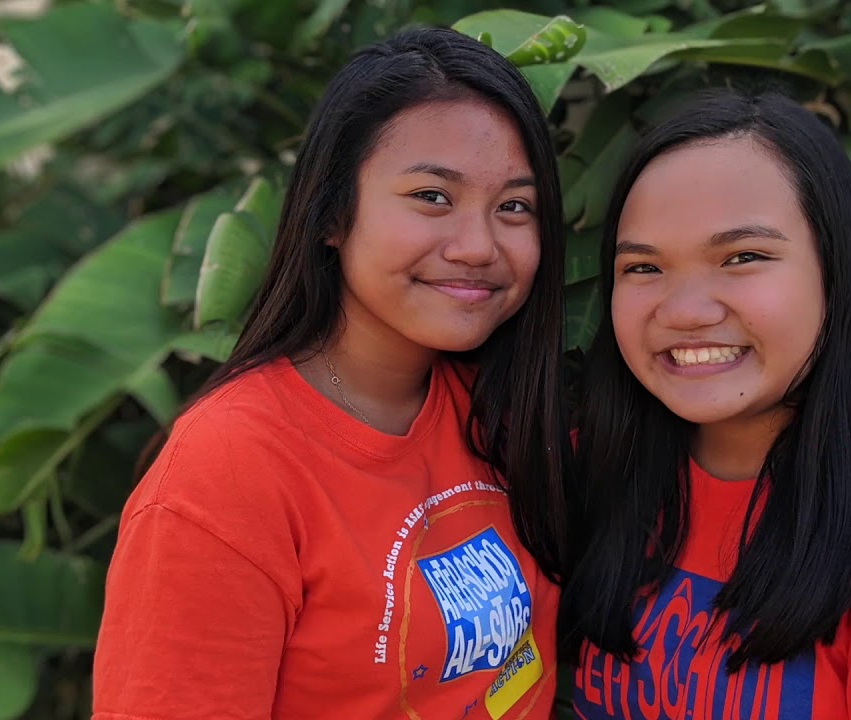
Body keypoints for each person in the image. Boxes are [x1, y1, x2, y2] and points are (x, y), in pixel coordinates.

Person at [93, 26, 570, 720]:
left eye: (514, 207)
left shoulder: (504, 409)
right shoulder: (226, 474)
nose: (478, 246)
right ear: (333, 215)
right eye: (433, 196)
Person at [559, 89, 851, 719]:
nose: (684, 311)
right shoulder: (592, 464)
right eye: (644, 268)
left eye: (743, 257)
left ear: (836, 274)